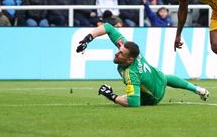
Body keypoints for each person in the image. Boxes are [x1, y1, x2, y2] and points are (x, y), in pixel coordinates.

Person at [75, 23, 209, 107]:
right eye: (119, 50)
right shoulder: (129, 49)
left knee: (132, 96)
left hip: (153, 98)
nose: (117, 54)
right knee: (164, 77)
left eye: (121, 54)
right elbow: (108, 27)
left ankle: (195, 89)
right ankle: (197, 89)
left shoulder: (131, 73)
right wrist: (87, 40)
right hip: (158, 77)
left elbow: (134, 103)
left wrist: (111, 95)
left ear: (129, 60)